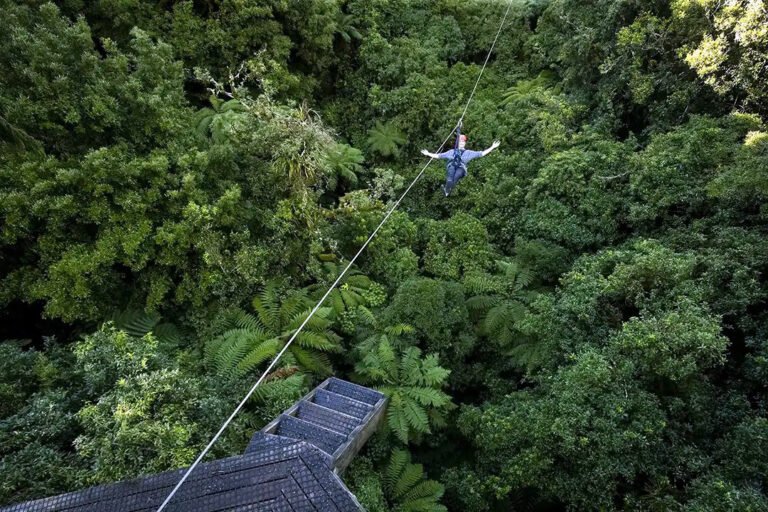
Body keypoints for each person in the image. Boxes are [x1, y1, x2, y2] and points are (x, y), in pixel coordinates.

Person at [421, 134, 500, 196]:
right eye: (460, 142)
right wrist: (428, 153)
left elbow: (481, 154)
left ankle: (447, 190)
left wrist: (492, 147)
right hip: (452, 165)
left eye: (463, 142)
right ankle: (447, 190)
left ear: (465, 143)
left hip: (461, 168)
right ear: (458, 143)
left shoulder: (469, 153)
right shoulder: (451, 152)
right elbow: (439, 156)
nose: (461, 143)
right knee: (450, 175)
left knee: (457, 175)